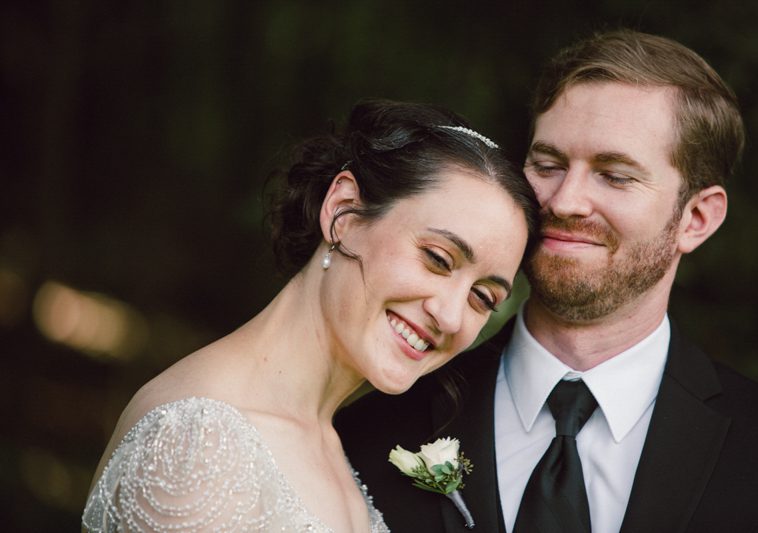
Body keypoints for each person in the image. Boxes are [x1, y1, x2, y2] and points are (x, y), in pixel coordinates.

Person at [336, 30, 758, 533]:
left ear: (696, 218)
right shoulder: (368, 430)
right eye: (549, 165)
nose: (564, 202)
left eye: (615, 175)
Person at [81, 99, 536, 532]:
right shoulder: (198, 445)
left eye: (482, 297)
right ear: (344, 212)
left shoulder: (333, 444)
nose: (452, 316)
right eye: (437, 258)